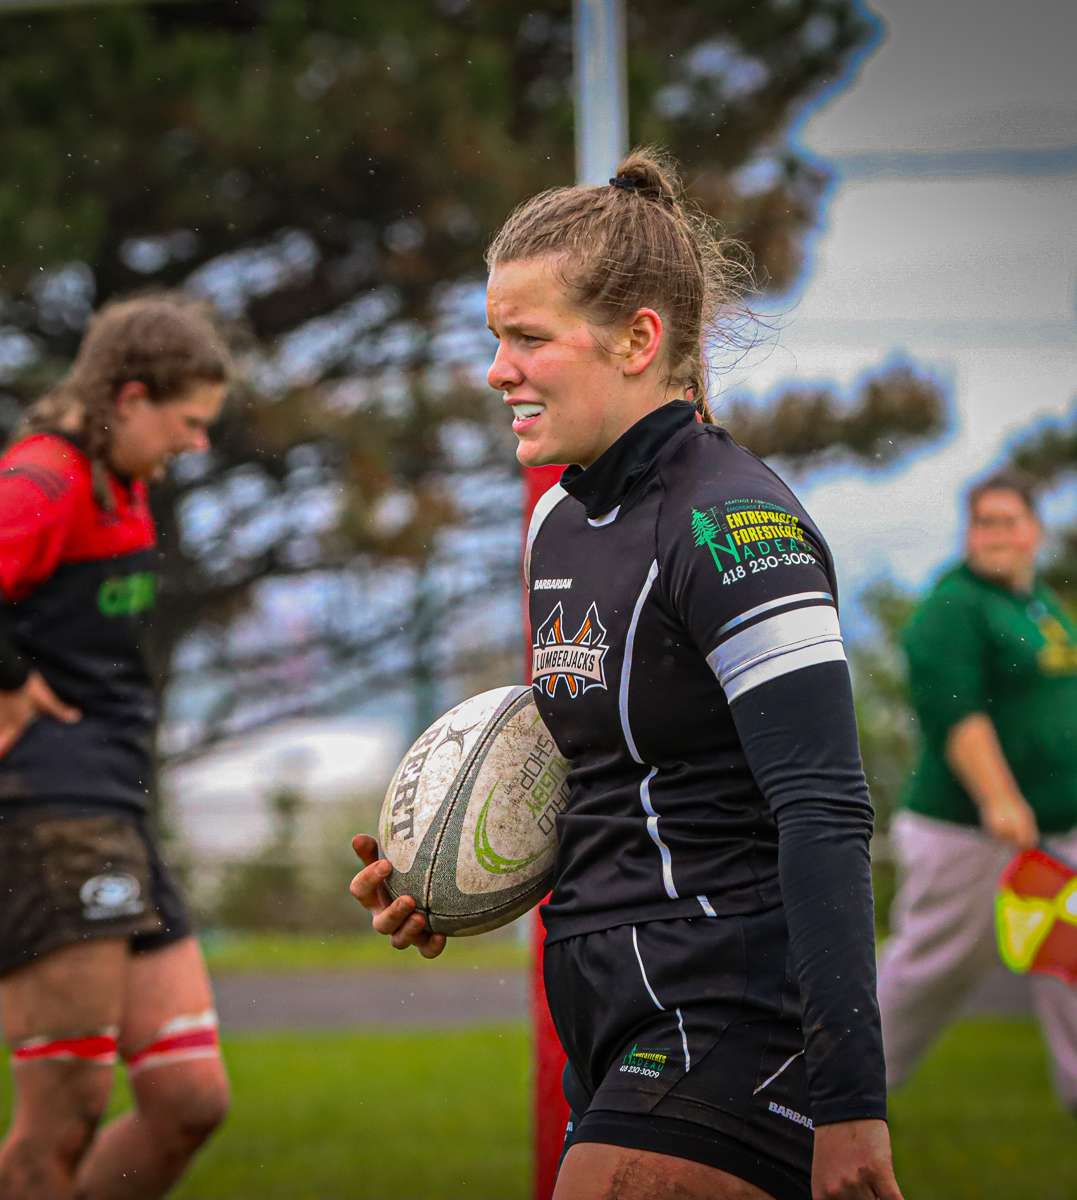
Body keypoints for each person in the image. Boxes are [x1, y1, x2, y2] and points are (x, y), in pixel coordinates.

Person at [351, 150, 902, 1200]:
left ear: (639, 340)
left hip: (732, 1010)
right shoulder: (559, 525)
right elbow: (603, 778)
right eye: (494, 338)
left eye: (528, 338)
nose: (497, 370)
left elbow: (825, 808)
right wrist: (444, 875)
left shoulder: (736, 527)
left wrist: (851, 1100)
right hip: (608, 1010)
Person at [0, 293, 231, 1200]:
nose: (197, 443)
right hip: (46, 819)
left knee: (189, 1098)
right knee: (61, 1121)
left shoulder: (118, 484)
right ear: (129, 399)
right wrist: (6, 672)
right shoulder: (48, 474)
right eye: (188, 421)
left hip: (111, 814)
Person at [877, 469, 1077, 1124]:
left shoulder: (1039, 604)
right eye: (983, 523)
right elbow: (955, 712)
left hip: (1071, 823)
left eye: (1009, 521)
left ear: (1036, 531)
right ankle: (834, 1096)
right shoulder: (954, 607)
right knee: (934, 966)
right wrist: (1000, 798)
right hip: (971, 826)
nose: (995, 534)